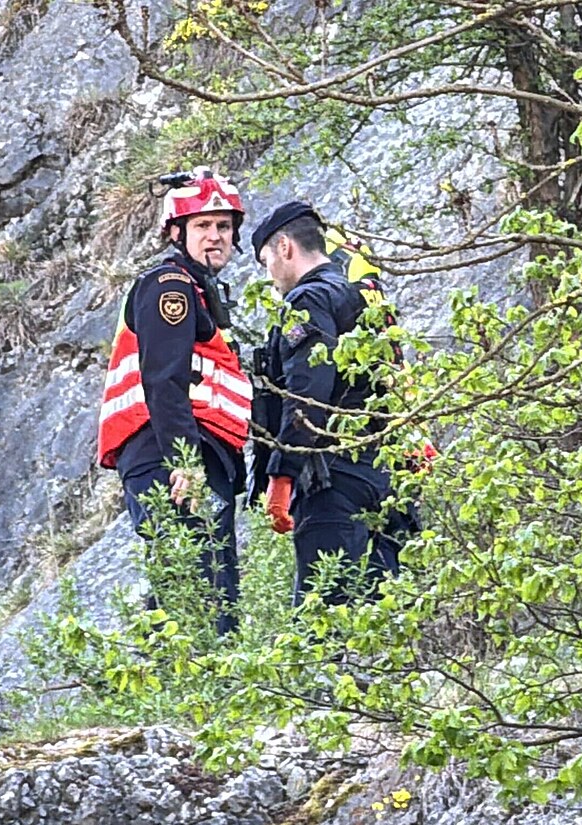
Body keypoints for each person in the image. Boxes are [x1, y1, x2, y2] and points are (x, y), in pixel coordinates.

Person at [95, 167, 251, 635]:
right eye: (203, 226)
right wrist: (186, 461)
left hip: (184, 454)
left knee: (201, 585)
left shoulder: (204, 293)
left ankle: (186, 687)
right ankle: (195, 694)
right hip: (172, 456)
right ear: (177, 232)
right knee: (201, 592)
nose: (216, 236)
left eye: (224, 227)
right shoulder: (171, 287)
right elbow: (164, 380)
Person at [249, 201, 411, 603]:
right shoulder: (362, 298)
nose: (269, 274)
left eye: (266, 259)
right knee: (383, 610)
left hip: (333, 477)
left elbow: (308, 390)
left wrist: (283, 474)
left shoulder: (307, 301)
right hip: (384, 472)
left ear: (285, 247)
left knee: (324, 611)